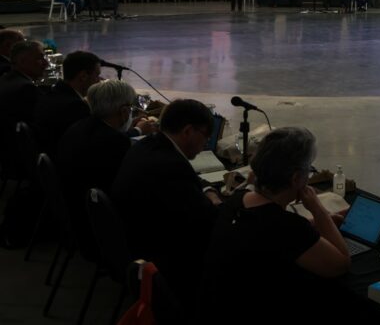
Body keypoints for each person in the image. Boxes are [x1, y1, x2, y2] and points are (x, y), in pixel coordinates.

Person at [198, 127, 351, 323]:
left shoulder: (236, 200)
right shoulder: (286, 227)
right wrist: (317, 209)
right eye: (309, 170)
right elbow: (341, 264)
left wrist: (314, 225)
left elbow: (270, 238)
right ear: (296, 178)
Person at [112, 99, 220, 314]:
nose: (206, 142)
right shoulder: (170, 166)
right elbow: (207, 221)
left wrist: (207, 190)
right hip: (163, 259)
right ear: (188, 131)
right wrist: (219, 201)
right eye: (206, 135)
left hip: (132, 240)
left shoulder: (148, 145)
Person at [57, 80, 137, 260]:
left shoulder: (78, 127)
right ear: (124, 111)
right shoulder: (114, 143)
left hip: (75, 216)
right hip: (99, 230)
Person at [32, 51, 102, 156]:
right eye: (97, 75)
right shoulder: (75, 107)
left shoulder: (52, 94)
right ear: (83, 76)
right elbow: (90, 144)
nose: (99, 81)